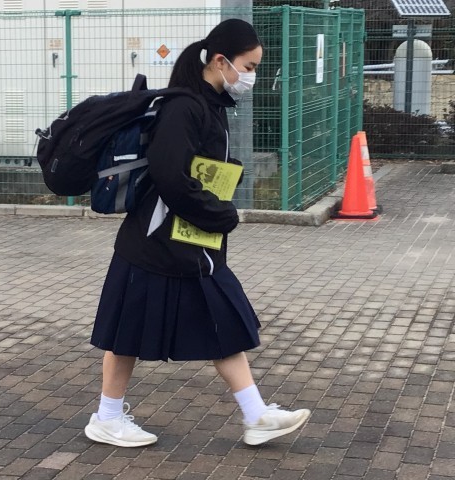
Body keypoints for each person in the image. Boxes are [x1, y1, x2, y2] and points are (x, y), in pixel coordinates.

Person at [84, 19, 310, 448]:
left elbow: (191, 169)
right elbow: (170, 174)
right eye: (249, 66)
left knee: (220, 321)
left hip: (184, 243)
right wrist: (218, 214)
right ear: (221, 61)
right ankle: (108, 418)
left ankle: (257, 415)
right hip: (157, 243)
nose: (251, 76)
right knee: (128, 333)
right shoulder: (185, 106)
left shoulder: (208, 105)